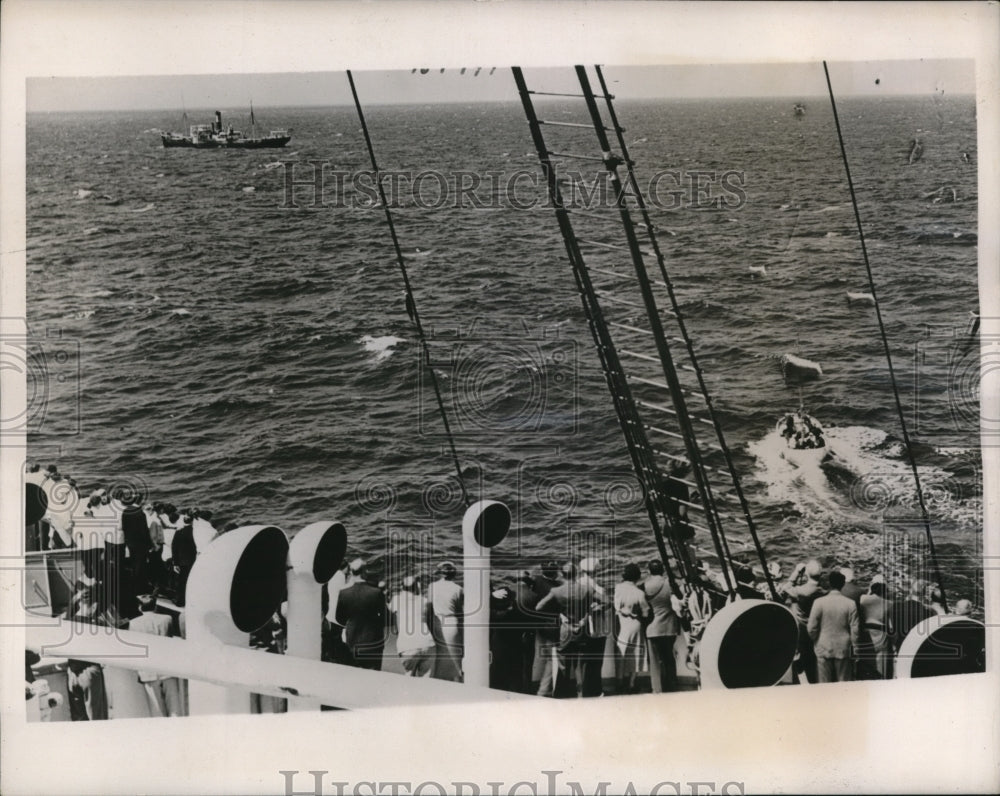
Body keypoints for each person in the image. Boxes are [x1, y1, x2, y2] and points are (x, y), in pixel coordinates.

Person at [535, 561, 598, 698]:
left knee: (563, 663)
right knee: (579, 664)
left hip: (565, 630)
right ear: (576, 574)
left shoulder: (556, 591)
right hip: (581, 629)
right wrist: (588, 613)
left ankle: (563, 693)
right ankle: (580, 694)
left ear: (562, 574)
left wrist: (559, 614)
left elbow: (539, 607)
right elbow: (605, 600)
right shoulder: (586, 589)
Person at [128, 594, 183, 717]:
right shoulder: (167, 619)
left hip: (148, 671)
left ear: (140, 607)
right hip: (167, 669)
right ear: (155, 606)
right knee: (174, 707)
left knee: (157, 710)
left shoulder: (134, 623)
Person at [807, 570, 861, 683]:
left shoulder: (818, 602)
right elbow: (855, 630)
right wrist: (855, 649)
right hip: (843, 648)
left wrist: (816, 640)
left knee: (824, 685)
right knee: (843, 684)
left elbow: (811, 628)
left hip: (823, 646)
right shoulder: (850, 603)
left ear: (830, 584)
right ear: (843, 584)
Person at [335, 559, 387, 670]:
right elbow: (387, 619)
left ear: (351, 572)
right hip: (373, 644)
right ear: (365, 571)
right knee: (374, 676)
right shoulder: (376, 593)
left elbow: (339, 618)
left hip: (353, 643)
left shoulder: (344, 593)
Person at [782, 559, 826, 684]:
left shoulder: (799, 591)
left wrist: (796, 572)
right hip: (817, 629)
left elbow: (785, 588)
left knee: (802, 657)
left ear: (806, 574)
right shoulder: (824, 592)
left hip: (801, 629)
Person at [643, 560, 681, 693]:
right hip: (670, 626)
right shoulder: (670, 583)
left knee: (655, 662)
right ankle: (671, 687)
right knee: (669, 658)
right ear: (663, 570)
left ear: (649, 571)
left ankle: (657, 689)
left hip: (653, 628)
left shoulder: (645, 585)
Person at [388, 576, 436, 677]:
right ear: (417, 586)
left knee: (409, 677)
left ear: (402, 587)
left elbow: (390, 613)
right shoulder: (425, 601)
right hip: (428, 642)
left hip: (408, 645)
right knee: (427, 679)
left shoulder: (396, 600)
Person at [613, 563, 650, 694]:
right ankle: (631, 684)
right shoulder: (639, 593)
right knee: (636, 653)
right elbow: (645, 613)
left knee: (621, 653)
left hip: (622, 624)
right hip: (635, 624)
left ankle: (619, 682)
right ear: (637, 577)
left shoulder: (618, 588)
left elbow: (617, 606)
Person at [427, 561, 464, 681]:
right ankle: (457, 681)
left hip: (436, 621)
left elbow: (429, 606)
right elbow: (460, 610)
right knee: (455, 657)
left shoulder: (432, 586)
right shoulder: (458, 589)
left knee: (438, 656)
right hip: (451, 621)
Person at [887, 578, 936, 659]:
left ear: (910, 590)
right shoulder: (928, 612)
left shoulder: (895, 607)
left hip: (901, 647)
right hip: (918, 650)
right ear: (924, 593)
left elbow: (891, 630)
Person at [858, 578, 891, 679]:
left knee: (867, 662)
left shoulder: (863, 599)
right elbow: (889, 623)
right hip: (881, 632)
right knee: (881, 664)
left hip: (867, 632)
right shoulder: (888, 603)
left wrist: (870, 590)